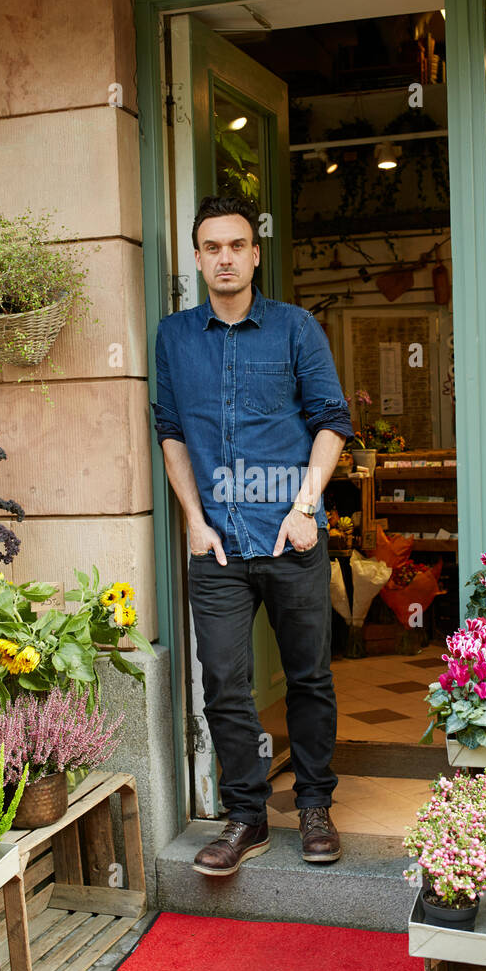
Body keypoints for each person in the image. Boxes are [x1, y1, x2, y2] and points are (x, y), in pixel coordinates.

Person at [151, 193, 356, 876]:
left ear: (256, 251)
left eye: (236, 245)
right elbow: (172, 432)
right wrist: (193, 520)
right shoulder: (175, 337)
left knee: (309, 678)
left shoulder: (296, 328)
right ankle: (245, 817)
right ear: (199, 256)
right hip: (217, 547)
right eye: (212, 247)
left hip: (292, 537)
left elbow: (332, 420)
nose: (226, 258)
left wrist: (305, 506)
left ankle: (315, 806)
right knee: (225, 684)